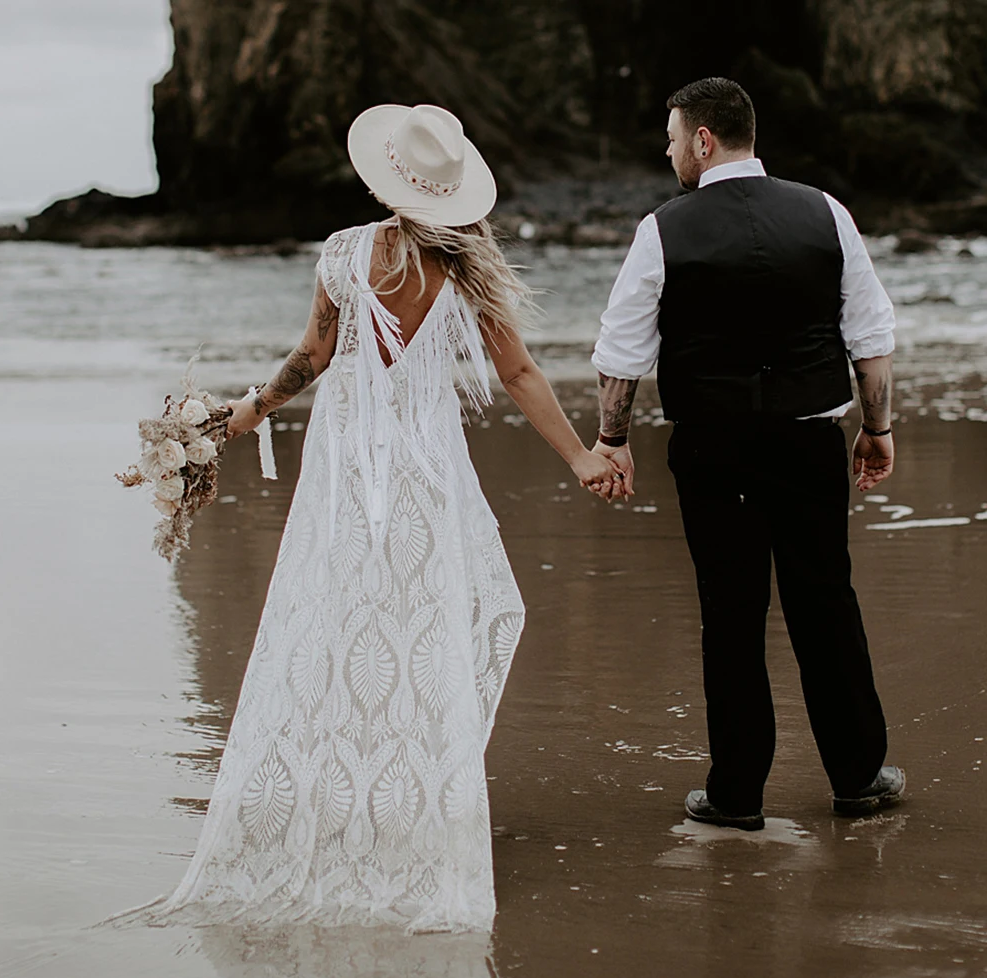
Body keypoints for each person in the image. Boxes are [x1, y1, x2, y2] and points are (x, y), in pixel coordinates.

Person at [114, 104, 622, 931]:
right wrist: (579, 458)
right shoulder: (466, 266)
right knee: (422, 629)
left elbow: (310, 358)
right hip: (427, 476)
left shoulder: (345, 254)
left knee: (341, 622)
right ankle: (416, 804)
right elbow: (519, 371)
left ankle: (343, 800)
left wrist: (238, 416)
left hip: (346, 473)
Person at [589, 78, 904, 831]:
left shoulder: (663, 229)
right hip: (807, 441)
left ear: (704, 140)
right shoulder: (825, 213)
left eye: (672, 139)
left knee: (730, 615)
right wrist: (878, 427)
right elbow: (871, 342)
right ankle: (858, 777)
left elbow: (622, 359)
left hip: (713, 448)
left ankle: (737, 796)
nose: (667, 152)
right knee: (826, 601)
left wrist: (613, 440)